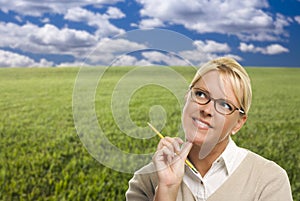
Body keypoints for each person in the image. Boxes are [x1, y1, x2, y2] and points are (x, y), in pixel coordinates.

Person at [126, 57, 293, 201]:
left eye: (224, 104)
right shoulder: (145, 181)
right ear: (187, 98)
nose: (206, 110)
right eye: (201, 94)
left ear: (238, 124)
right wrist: (167, 189)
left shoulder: (269, 181)